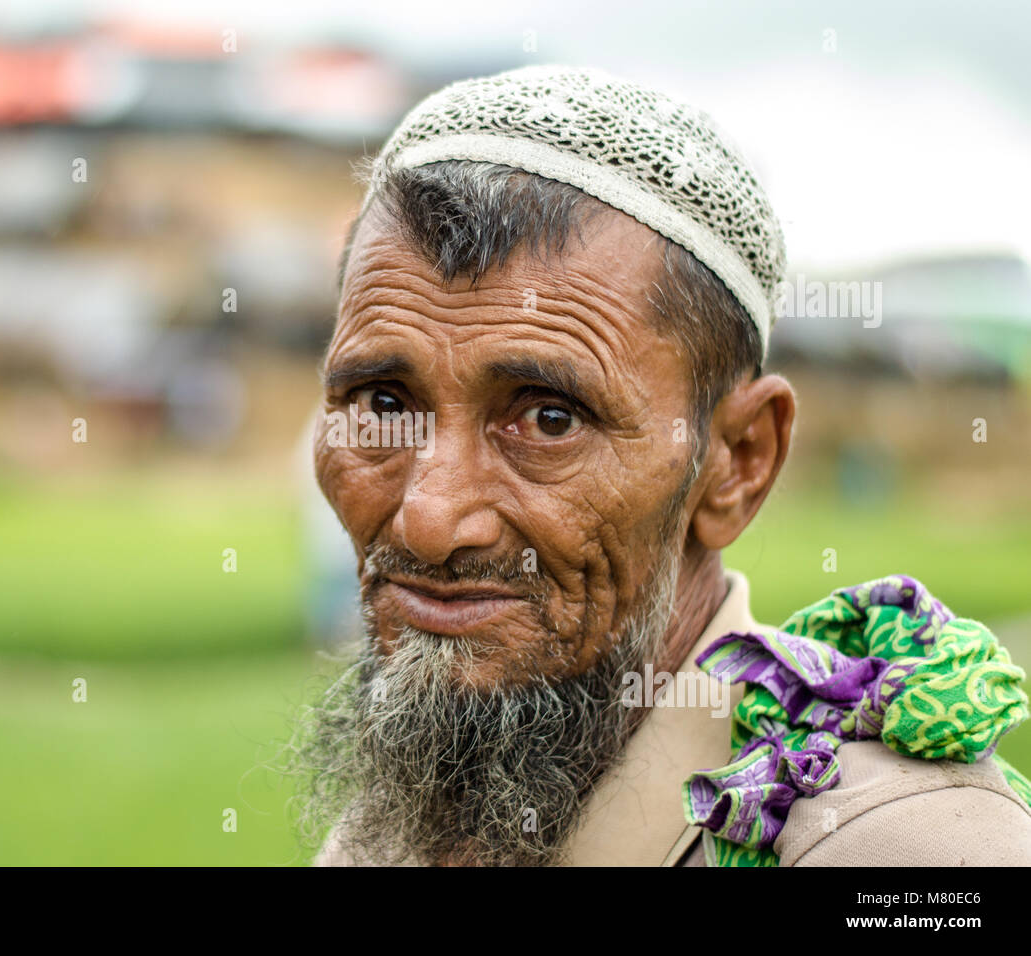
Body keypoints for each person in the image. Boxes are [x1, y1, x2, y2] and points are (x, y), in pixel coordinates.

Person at [288, 64, 1031, 866]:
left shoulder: (901, 850)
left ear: (738, 460)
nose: (429, 520)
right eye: (385, 405)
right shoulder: (392, 836)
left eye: (548, 418)